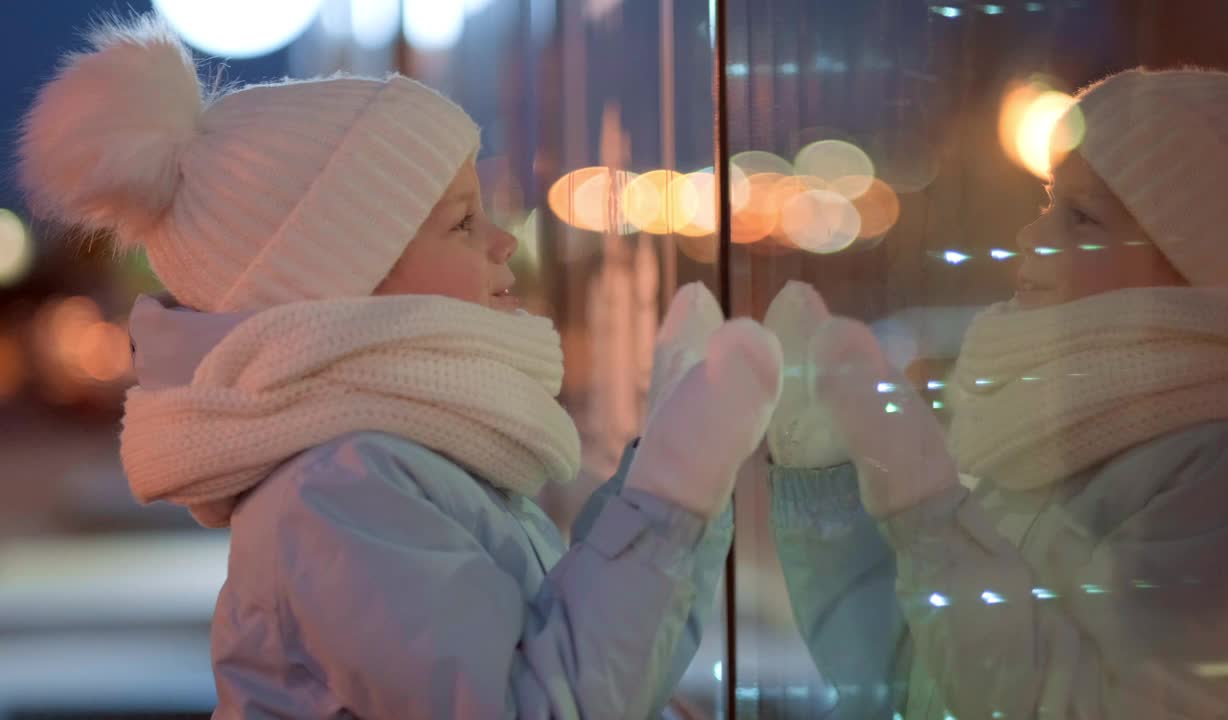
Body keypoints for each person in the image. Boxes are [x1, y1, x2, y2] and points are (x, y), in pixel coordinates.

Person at [18, 16, 785, 719]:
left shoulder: (401, 455)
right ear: (345, 280)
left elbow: (565, 661)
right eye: (461, 220)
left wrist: (662, 478)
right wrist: (673, 493)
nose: (502, 243)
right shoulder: (339, 492)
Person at [764, 68, 1228, 718]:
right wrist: (827, 488)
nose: (1030, 237)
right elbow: (923, 682)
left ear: (1204, 263)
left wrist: (927, 515)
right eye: (1046, 204)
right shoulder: (1057, 427)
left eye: (1080, 217)